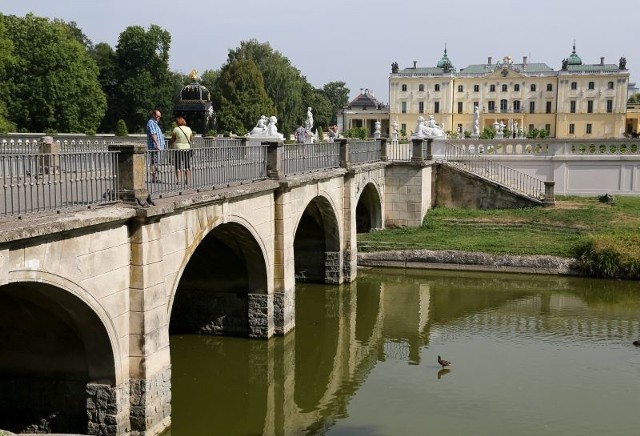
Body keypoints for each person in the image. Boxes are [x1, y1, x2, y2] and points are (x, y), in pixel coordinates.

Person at [169, 116, 193, 186]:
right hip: (187, 149)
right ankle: (187, 180)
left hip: (178, 149)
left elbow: (173, 139)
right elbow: (191, 139)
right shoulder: (189, 129)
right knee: (187, 165)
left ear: (177, 122)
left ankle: (179, 181)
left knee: (178, 165)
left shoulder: (176, 129)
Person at [146, 109, 165, 183]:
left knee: (156, 162)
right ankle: (154, 178)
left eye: (160, 116)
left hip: (157, 147)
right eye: (158, 116)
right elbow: (153, 134)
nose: (159, 118)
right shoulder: (151, 122)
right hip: (155, 147)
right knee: (154, 162)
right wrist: (157, 145)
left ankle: (155, 177)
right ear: (153, 115)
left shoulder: (155, 123)